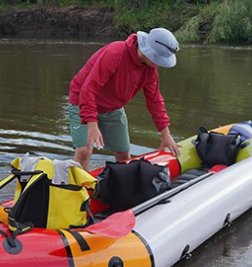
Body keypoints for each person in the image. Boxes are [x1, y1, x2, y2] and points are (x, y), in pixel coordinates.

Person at [68, 27, 181, 171]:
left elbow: (155, 100)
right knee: (84, 151)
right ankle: (79, 188)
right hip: (82, 101)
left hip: (112, 107)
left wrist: (166, 134)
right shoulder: (115, 53)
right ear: (148, 50)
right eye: (158, 59)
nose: (158, 64)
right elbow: (88, 89)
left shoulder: (150, 69)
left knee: (124, 154)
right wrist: (92, 125)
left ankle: (120, 184)